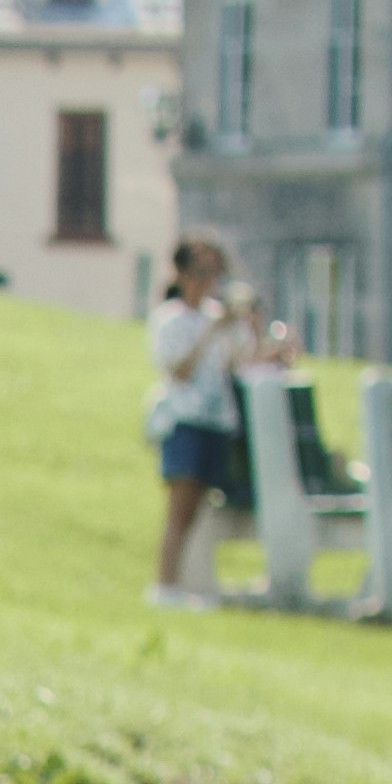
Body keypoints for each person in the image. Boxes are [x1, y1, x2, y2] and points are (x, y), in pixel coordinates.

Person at [151, 235, 255, 607]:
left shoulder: (217, 318)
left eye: (214, 272)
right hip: (185, 421)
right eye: (199, 271)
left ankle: (187, 586)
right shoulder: (170, 319)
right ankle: (164, 586)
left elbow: (239, 361)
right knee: (180, 509)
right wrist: (211, 332)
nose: (208, 280)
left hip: (216, 421)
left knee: (200, 512)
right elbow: (178, 370)